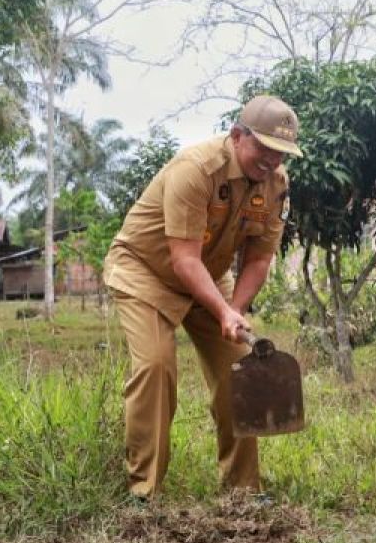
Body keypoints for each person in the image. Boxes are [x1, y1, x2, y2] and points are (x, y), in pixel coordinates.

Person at [103, 95, 301, 500]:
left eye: (280, 153)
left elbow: (260, 259)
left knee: (241, 369)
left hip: (208, 277)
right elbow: (183, 259)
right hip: (146, 272)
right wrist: (223, 310)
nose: (271, 160)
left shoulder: (276, 184)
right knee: (156, 366)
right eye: (264, 148)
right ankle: (144, 492)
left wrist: (236, 311)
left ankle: (243, 490)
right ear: (236, 135)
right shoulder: (195, 170)